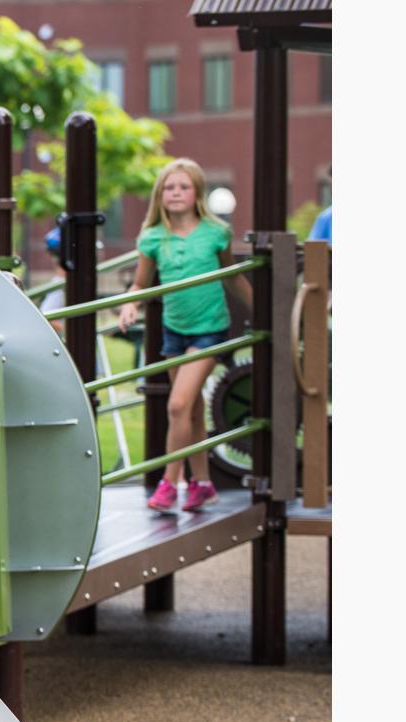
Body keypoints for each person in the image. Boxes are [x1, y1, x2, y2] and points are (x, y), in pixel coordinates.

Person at [116, 158, 252, 512]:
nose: (176, 193)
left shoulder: (214, 232)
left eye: (183, 187)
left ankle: (169, 482)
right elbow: (140, 284)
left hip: (209, 331)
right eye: (169, 188)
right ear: (160, 195)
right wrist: (132, 305)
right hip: (174, 332)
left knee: (176, 405)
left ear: (197, 193)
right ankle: (203, 483)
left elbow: (232, 276)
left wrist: (264, 309)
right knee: (189, 412)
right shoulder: (153, 238)